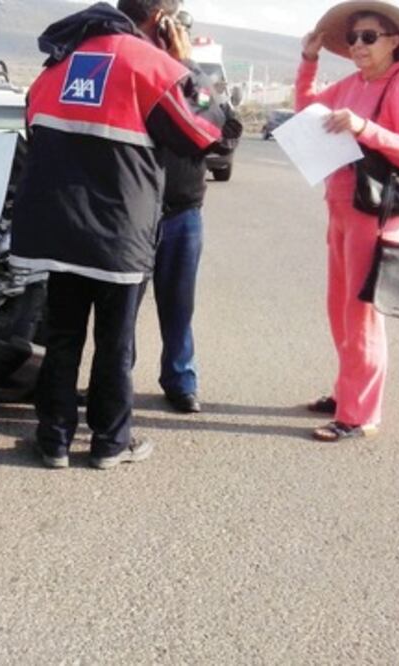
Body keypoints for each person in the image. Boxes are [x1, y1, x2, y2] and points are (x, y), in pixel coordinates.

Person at [10, 0, 229, 470]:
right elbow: (208, 127)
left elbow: (33, 126)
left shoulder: (57, 64)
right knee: (115, 341)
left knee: (62, 337)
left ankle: (53, 441)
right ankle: (110, 443)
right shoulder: (152, 66)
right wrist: (185, 61)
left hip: (58, 231)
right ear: (161, 19)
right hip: (118, 234)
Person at [296, 1, 399, 442]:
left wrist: (363, 128)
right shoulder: (354, 83)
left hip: (375, 213)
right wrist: (309, 61)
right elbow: (307, 111)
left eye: (368, 37)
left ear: (394, 41)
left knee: (362, 312)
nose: (358, 45)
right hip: (340, 206)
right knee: (340, 307)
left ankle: (359, 414)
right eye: (353, 38)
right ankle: (346, 392)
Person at [150, 11, 241, 414]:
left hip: (182, 210)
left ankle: (180, 380)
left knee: (178, 304)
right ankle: (114, 383)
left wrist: (187, 67)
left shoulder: (198, 82)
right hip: (133, 212)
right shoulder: (135, 73)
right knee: (120, 311)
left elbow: (228, 131)